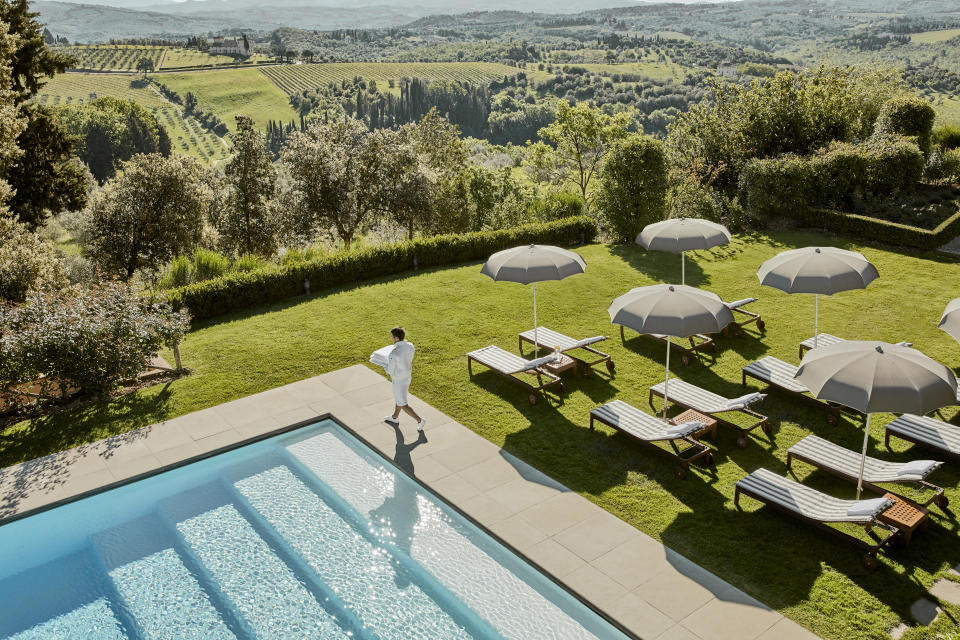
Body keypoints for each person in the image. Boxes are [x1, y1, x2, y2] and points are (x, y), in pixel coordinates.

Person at [384, 326, 426, 431]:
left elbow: (389, 370)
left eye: (392, 337)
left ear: (397, 338)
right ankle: (394, 417)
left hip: (398, 380)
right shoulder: (410, 346)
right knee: (400, 398)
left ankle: (420, 420)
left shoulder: (394, 353)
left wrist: (385, 365)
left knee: (402, 403)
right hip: (407, 377)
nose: (392, 339)